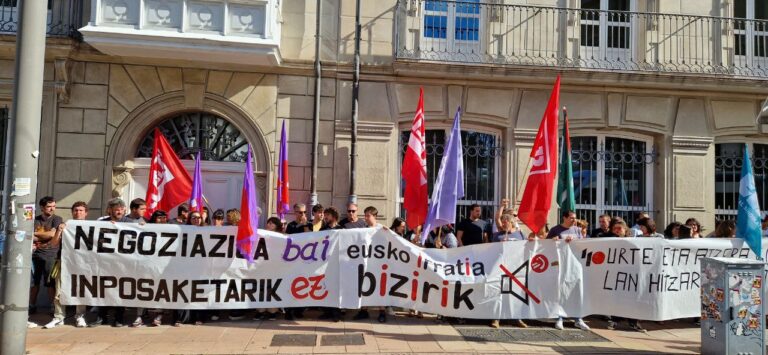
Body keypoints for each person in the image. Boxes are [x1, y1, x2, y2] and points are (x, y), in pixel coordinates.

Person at [43, 201, 88, 329]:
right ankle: (58, 317)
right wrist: (59, 231)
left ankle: (80, 316)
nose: (78, 212)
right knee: (59, 290)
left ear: (86, 213)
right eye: (76, 210)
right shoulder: (66, 225)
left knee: (81, 291)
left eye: (80, 210)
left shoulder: (92, 226)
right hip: (64, 263)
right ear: (72, 212)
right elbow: (54, 244)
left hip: (83, 264)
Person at [90, 198, 130, 327]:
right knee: (104, 289)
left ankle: (119, 317)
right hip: (106, 262)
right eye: (116, 209)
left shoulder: (130, 223)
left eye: (121, 209)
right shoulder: (102, 222)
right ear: (110, 210)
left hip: (123, 262)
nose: (119, 211)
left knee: (121, 289)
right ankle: (102, 317)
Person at [547, 210, 588, 330]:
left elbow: (582, 246)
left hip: (574, 265)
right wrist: (553, 241)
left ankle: (577, 318)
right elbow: (547, 246)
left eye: (574, 218)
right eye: (571, 218)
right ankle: (559, 317)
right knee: (561, 291)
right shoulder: (555, 230)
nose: (574, 220)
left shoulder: (577, 230)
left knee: (576, 291)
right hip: (561, 265)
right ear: (564, 218)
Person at [489, 213, 530, 329]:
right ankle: (496, 318)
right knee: (499, 293)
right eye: (502, 222)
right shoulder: (497, 236)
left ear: (511, 222)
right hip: (501, 268)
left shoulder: (521, 234)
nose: (502, 224)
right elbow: (491, 252)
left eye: (505, 222)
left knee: (515, 293)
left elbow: (528, 247)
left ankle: (517, 318)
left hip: (516, 268)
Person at [605, 220, 647, 332]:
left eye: (620, 228)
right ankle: (614, 320)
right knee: (617, 298)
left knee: (632, 298)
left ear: (625, 229)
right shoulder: (608, 240)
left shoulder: (633, 241)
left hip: (631, 275)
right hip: (616, 275)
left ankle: (633, 322)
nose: (617, 231)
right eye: (615, 229)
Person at [31, 196, 62, 316]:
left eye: (54, 206)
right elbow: (31, 236)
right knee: (35, 283)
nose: (52, 209)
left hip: (51, 254)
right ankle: (31, 305)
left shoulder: (57, 219)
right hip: (35, 255)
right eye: (49, 206)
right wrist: (43, 235)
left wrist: (36, 234)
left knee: (50, 282)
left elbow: (52, 234)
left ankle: (52, 307)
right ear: (42, 207)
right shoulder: (35, 219)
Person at [319, 207, 344, 321]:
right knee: (326, 287)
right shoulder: (322, 230)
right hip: (325, 264)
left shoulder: (342, 230)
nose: (325, 217)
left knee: (336, 288)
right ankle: (327, 311)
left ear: (333, 216)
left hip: (338, 263)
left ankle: (336, 313)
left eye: (327, 215)